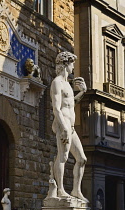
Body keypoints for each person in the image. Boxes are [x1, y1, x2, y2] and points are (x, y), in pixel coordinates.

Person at [50, 51, 88, 202]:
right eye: (72, 64)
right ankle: (60, 190)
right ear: (65, 64)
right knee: (63, 156)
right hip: (62, 125)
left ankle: (75, 190)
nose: (73, 67)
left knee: (82, 159)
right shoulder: (57, 82)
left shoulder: (67, 84)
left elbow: (71, 104)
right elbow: (56, 108)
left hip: (70, 126)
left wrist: (83, 92)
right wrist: (64, 127)